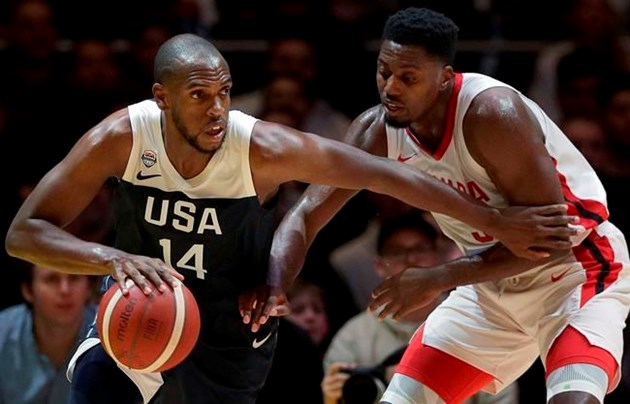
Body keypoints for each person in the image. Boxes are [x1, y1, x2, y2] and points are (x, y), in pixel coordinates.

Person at [5, 33, 574, 404]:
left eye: (225, 93)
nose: (217, 109)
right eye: (199, 95)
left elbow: (388, 175)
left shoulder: (262, 147)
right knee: (95, 390)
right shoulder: (121, 137)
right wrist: (114, 258)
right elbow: (23, 234)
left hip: (235, 317)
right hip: (141, 307)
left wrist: (494, 223)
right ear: (162, 98)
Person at [244, 7, 630, 404]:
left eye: (408, 78)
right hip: (487, 282)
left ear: (445, 79)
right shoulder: (376, 130)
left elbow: (549, 245)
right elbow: (306, 214)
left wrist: (436, 278)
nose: (391, 88)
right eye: (384, 72)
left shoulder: (493, 115)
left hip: (575, 273)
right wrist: (275, 282)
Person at [322, 210, 517, 404]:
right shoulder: (352, 337)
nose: (412, 260)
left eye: (421, 249)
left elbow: (501, 400)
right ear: (379, 265)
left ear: (439, 256)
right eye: (397, 252)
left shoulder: (472, 320)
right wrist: (331, 399)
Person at [0, 262, 97, 404]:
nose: (65, 289)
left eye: (74, 277)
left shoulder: (110, 334)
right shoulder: (3, 332)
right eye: (52, 279)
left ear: (88, 287)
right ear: (28, 290)